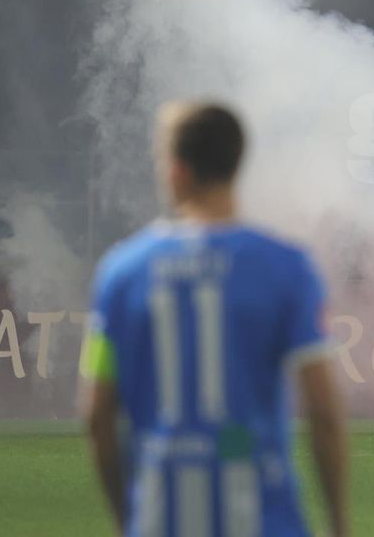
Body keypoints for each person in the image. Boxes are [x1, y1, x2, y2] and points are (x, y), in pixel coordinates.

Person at [80, 102, 349, 536]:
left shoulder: (121, 274)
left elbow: (97, 415)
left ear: (176, 171)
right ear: (237, 165)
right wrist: (338, 523)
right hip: (265, 522)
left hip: (160, 522)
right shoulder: (287, 268)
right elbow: (323, 411)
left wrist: (124, 519)